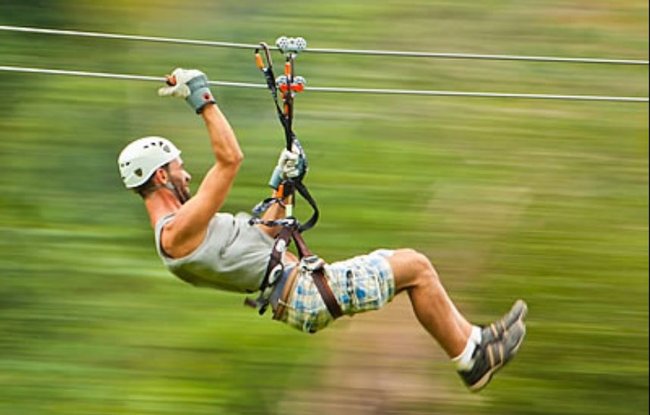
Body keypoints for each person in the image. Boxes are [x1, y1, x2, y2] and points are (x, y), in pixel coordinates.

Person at [117, 68, 527, 392]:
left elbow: (269, 235)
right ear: (159, 178)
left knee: (402, 264)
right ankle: (470, 358)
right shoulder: (176, 234)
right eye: (177, 167)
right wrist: (201, 96)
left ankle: (473, 344)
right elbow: (229, 160)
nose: (186, 173)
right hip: (306, 291)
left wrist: (285, 183)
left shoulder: (192, 230)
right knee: (415, 266)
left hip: (301, 290)